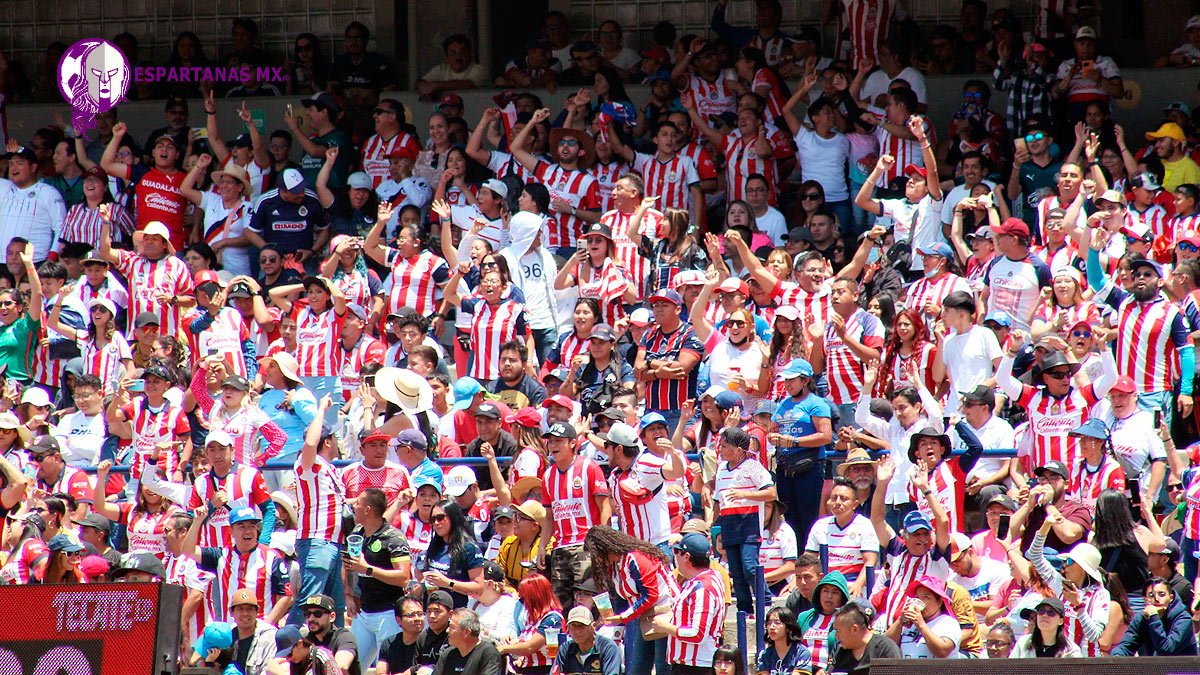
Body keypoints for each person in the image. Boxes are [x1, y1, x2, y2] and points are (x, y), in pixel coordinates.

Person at [584, 526, 678, 675]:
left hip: (666, 613)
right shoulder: (615, 566)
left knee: (663, 668)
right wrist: (616, 623)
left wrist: (623, 617)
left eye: (596, 554)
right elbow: (624, 598)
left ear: (605, 547)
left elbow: (651, 595)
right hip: (644, 615)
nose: (597, 560)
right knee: (638, 668)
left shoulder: (637, 558)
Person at [343, 487, 412, 668]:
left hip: (388, 614)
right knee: (352, 668)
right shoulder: (357, 533)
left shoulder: (394, 538)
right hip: (363, 612)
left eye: (357, 503)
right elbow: (348, 566)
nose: (353, 506)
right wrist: (349, 595)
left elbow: (404, 577)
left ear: (367, 510)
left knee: (387, 669)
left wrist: (368, 569)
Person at [665, 532, 727, 675]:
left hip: (695, 666)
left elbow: (697, 634)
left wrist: (665, 626)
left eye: (677, 552)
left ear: (687, 556)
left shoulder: (703, 587)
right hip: (691, 664)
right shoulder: (709, 577)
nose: (675, 556)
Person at [1112, 577, 1199, 656]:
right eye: (1151, 595)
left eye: (1161, 594)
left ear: (1171, 598)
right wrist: (1117, 656)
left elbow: (1166, 650)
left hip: (1182, 666)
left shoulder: (1184, 619)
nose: (1156, 599)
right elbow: (1127, 646)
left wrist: (1154, 617)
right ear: (1145, 599)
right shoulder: (1141, 618)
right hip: (1152, 666)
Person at [827, 602, 901, 674]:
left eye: (838, 631)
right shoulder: (842, 651)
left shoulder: (885, 648)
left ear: (855, 629)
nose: (836, 636)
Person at [556, 605, 622, 675]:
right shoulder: (565, 649)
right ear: (568, 628)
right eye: (573, 625)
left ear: (594, 626)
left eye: (582, 625)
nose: (577, 631)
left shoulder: (608, 648)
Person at [433, 609, 502, 675]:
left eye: (452, 627)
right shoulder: (448, 654)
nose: (447, 630)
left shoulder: (488, 653)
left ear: (466, 632)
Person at [228, 587, 279, 675]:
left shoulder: (270, 636)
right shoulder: (227, 635)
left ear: (257, 611)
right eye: (240, 609)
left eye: (250, 609)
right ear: (231, 612)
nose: (245, 613)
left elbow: (268, 671)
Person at [1010, 596, 1081, 657]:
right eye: (1041, 611)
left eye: (1051, 612)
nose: (1044, 615)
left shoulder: (1071, 650)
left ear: (1061, 621)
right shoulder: (1022, 643)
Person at [377, 596, 426, 675]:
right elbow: (380, 673)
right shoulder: (389, 643)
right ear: (398, 620)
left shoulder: (429, 643)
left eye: (420, 614)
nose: (417, 618)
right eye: (411, 615)